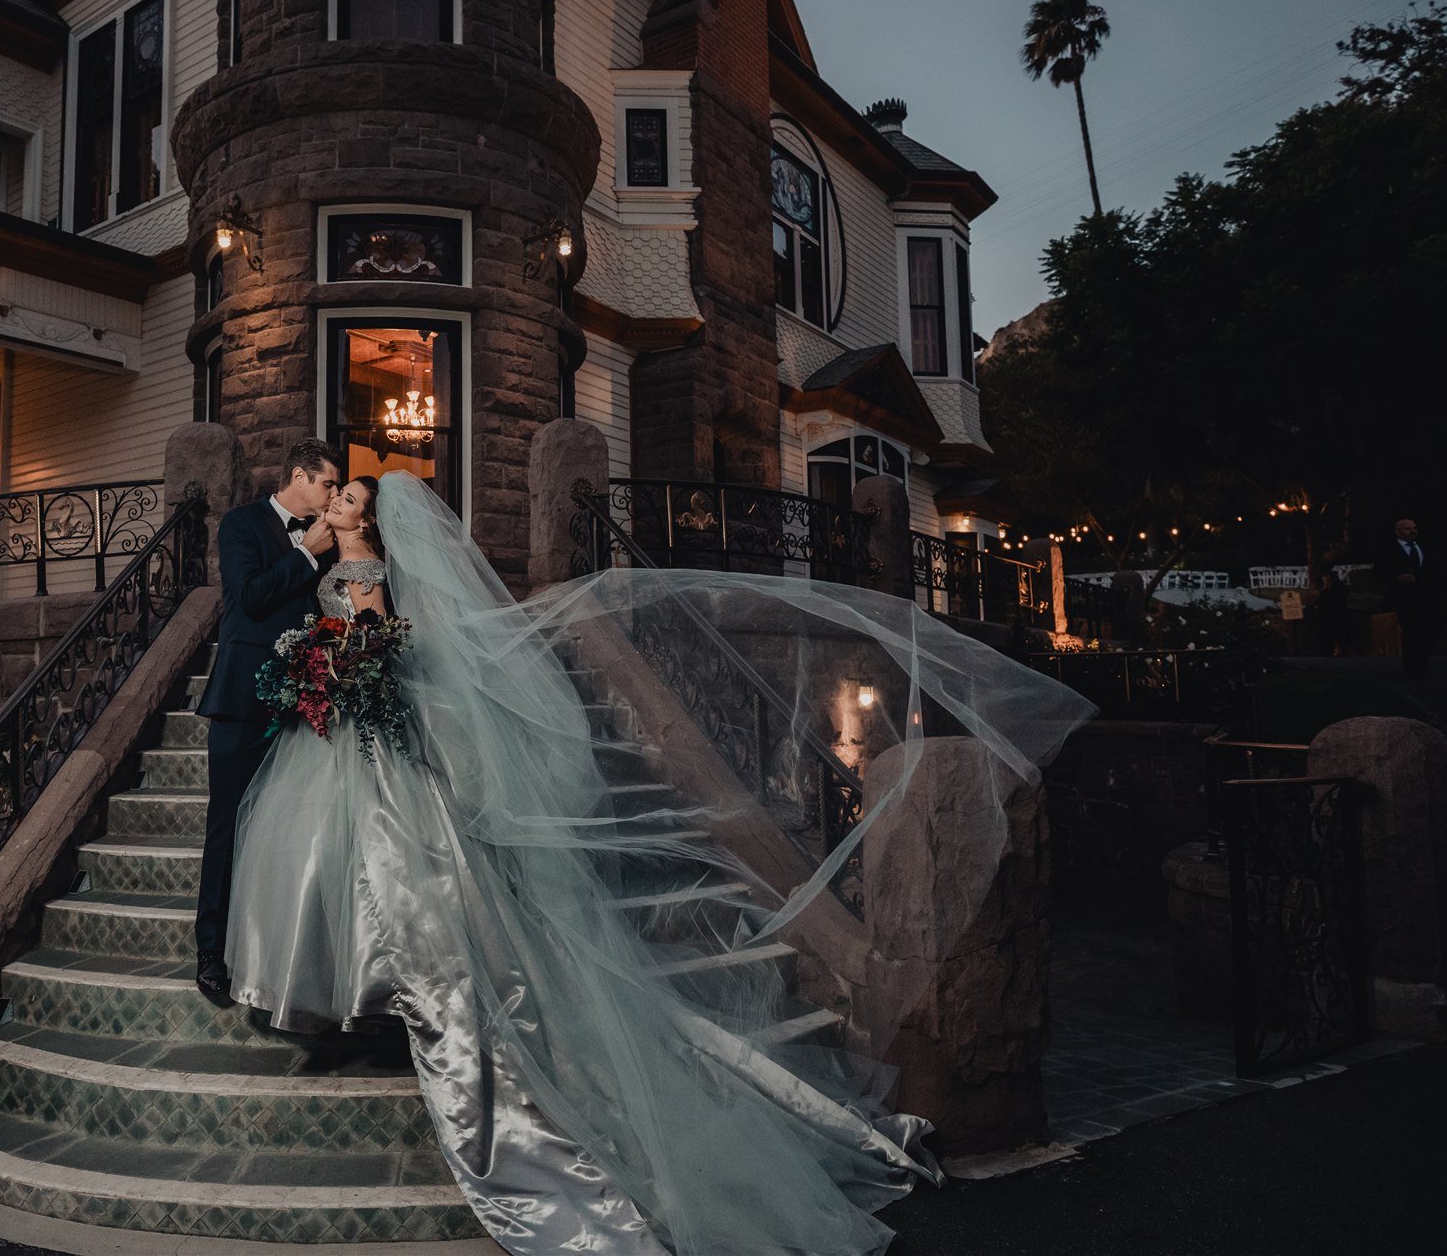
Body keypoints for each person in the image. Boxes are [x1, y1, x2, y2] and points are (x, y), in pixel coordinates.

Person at [225, 470, 1094, 1256]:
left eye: (347, 497)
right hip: (350, 737)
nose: (335, 498)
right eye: (333, 493)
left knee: (399, 882)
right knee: (359, 873)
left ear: (368, 518)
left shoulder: (365, 562)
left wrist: (335, 662)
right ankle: (359, 1000)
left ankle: (400, 1012)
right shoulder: (325, 560)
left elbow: (374, 639)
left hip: (376, 741)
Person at [192, 438, 341, 1003]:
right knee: (228, 825)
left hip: (304, 704)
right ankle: (211, 952)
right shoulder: (241, 524)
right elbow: (248, 597)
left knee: (289, 833)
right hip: (242, 699)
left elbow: (327, 612)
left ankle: (271, 952)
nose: (331, 494)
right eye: (327, 483)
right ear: (298, 476)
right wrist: (304, 554)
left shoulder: (330, 542)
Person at [1371, 517, 1447, 676]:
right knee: (1411, 630)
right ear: (1398, 532)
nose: (1413, 531)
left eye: (1414, 528)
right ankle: (1413, 665)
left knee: (1431, 628)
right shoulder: (1389, 549)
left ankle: (1421, 660)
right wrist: (1395, 577)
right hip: (1404, 597)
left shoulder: (1423, 547)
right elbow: (1378, 572)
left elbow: (1435, 570)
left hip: (1426, 595)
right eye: (1408, 529)